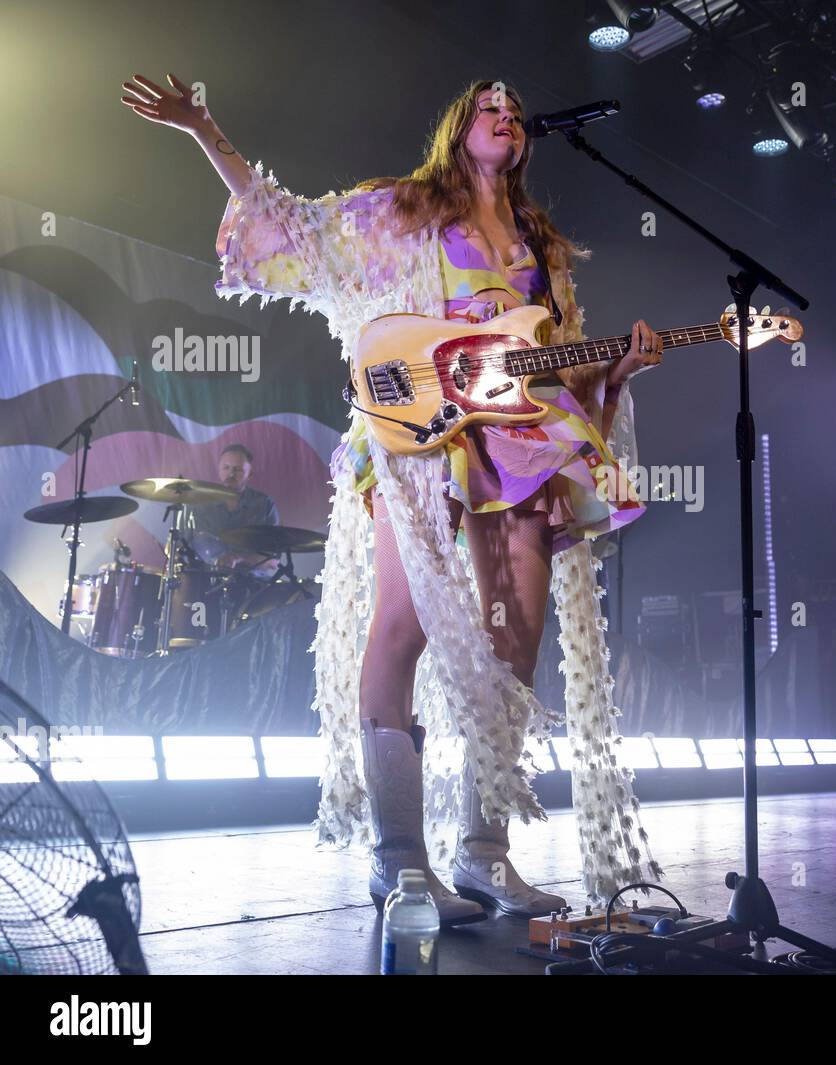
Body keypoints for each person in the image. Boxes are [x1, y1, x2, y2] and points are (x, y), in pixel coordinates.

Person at [123, 73, 665, 922]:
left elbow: (552, 361)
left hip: (518, 449)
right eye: (491, 105)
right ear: (459, 126)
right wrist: (203, 128)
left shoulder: (540, 247)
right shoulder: (402, 209)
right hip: (421, 444)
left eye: (517, 113)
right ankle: (399, 860)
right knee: (402, 626)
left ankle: (485, 852)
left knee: (515, 647)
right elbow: (291, 227)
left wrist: (617, 370)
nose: (507, 116)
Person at [186, 443, 280, 578]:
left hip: (252, 580)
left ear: (250, 474)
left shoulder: (265, 504)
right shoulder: (202, 503)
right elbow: (195, 542)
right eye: (226, 468)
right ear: (219, 470)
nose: (231, 474)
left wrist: (240, 559)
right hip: (208, 578)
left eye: (238, 470)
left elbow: (273, 555)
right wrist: (218, 558)